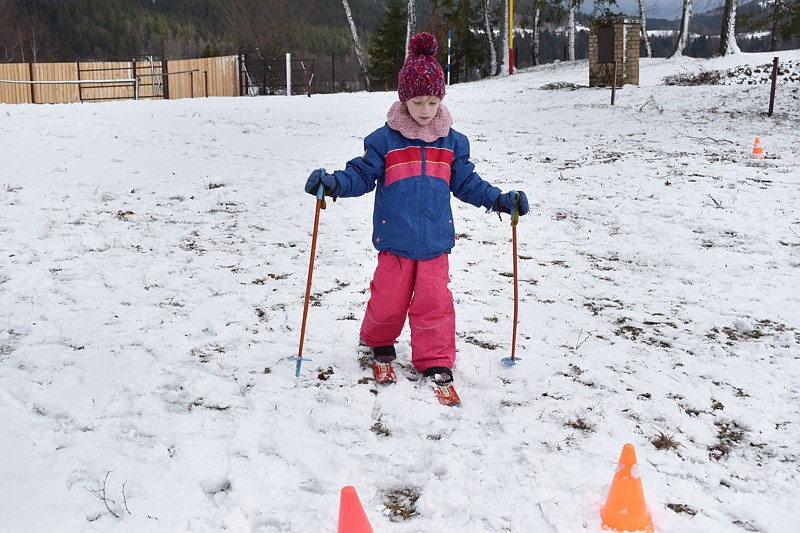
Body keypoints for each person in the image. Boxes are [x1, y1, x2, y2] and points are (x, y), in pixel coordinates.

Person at [304, 32, 529, 386]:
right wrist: (333, 184)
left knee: (434, 303)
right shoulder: (386, 141)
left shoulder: (452, 142)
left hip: (436, 241)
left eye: (432, 102)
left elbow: (467, 183)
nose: (425, 111)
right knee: (389, 298)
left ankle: (435, 359)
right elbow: (361, 174)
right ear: (404, 98)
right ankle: (378, 340)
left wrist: (499, 200)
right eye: (418, 102)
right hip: (395, 238)